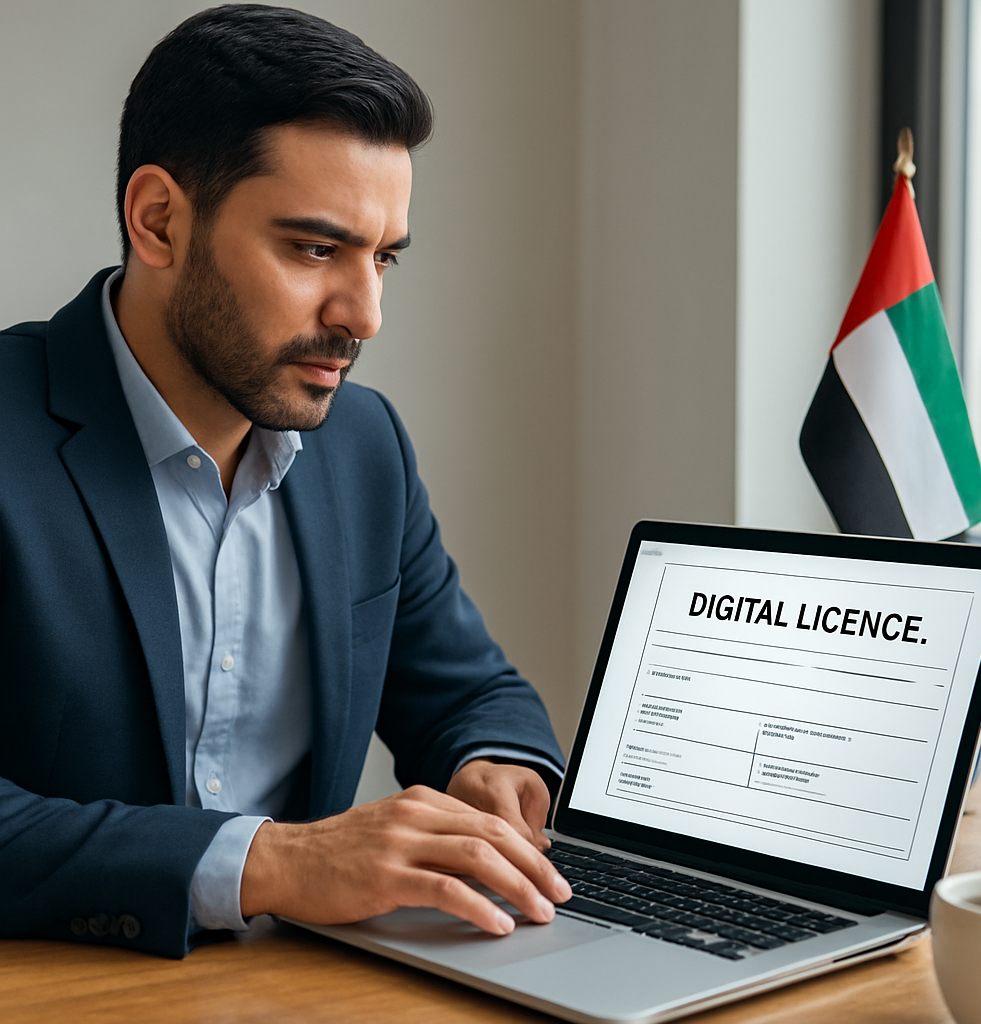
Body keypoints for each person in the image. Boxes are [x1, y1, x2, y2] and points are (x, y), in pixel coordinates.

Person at [0, 4, 570, 958]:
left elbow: (470, 691)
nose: (365, 314)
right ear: (159, 221)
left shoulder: (365, 447)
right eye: (315, 249)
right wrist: (268, 862)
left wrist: (492, 767)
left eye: (383, 257)